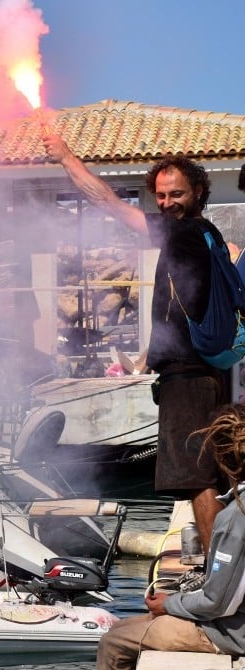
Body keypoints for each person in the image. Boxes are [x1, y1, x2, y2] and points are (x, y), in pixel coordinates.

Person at [44, 132, 229, 553]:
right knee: (218, 476)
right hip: (207, 371)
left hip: (188, 377)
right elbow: (185, 304)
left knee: (198, 477)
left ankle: (219, 576)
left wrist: (67, 157)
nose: (166, 204)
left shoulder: (182, 232)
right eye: (160, 196)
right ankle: (229, 568)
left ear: (198, 191)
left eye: (176, 194)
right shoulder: (208, 235)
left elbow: (108, 203)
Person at [87, 404, 245, 670]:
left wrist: (169, 603)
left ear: (222, 460)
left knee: (114, 642)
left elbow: (217, 603)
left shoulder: (235, 517)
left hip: (230, 634)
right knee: (126, 626)